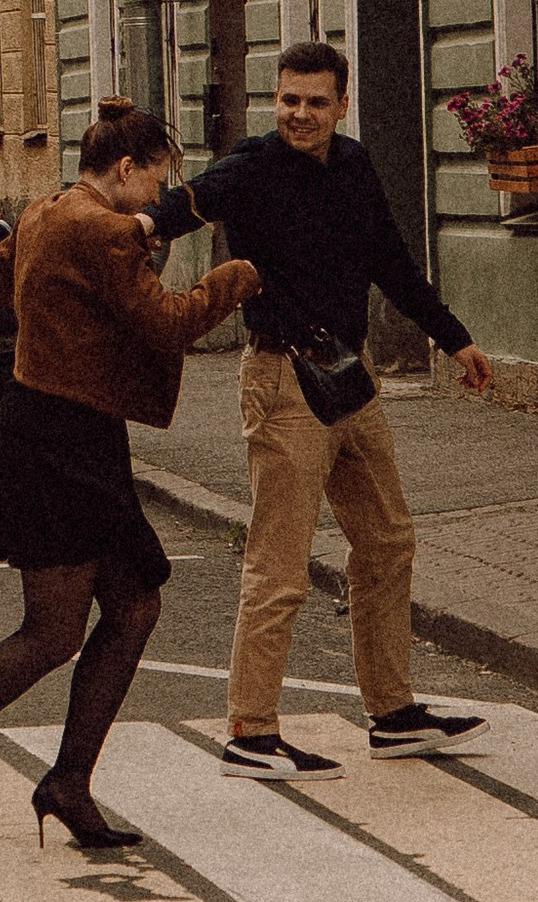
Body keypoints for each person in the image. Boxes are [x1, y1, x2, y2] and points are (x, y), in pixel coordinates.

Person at [0, 102, 257, 851]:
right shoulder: (103, 232)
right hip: (57, 443)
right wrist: (235, 278)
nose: (155, 205)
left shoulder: (46, 212)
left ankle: (69, 781)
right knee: (50, 633)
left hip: (65, 434)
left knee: (136, 605)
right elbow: (170, 323)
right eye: (156, 183)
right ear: (126, 169)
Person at [145, 40, 492, 780]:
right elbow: (169, 213)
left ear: (342, 104)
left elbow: (390, 261)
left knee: (388, 540)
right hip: (281, 378)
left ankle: (392, 714)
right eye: (289, 99)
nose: (300, 114)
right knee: (280, 561)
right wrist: (119, 230)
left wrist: (454, 340)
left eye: (316, 102)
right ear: (278, 100)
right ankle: (250, 728)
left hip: (350, 376)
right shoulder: (251, 166)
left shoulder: (355, 165)